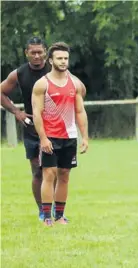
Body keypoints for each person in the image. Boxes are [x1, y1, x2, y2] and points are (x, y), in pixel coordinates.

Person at [32, 42, 89, 226]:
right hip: (50, 137)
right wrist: (43, 138)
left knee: (64, 175)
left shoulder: (75, 84)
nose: (63, 61)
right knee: (49, 174)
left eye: (66, 58)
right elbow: (37, 113)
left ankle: (60, 215)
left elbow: (80, 111)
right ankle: (47, 217)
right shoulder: (42, 84)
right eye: (59, 58)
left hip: (69, 137)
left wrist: (84, 137)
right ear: (50, 60)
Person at [1, 37, 50, 220]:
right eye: (33, 52)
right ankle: (42, 210)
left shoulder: (55, 70)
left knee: (55, 170)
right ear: (26, 53)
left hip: (54, 127)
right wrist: (16, 111)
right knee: (37, 170)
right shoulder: (19, 74)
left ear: (45, 52)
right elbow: (1, 92)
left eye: (40, 52)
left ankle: (57, 209)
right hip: (31, 128)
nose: (36, 56)